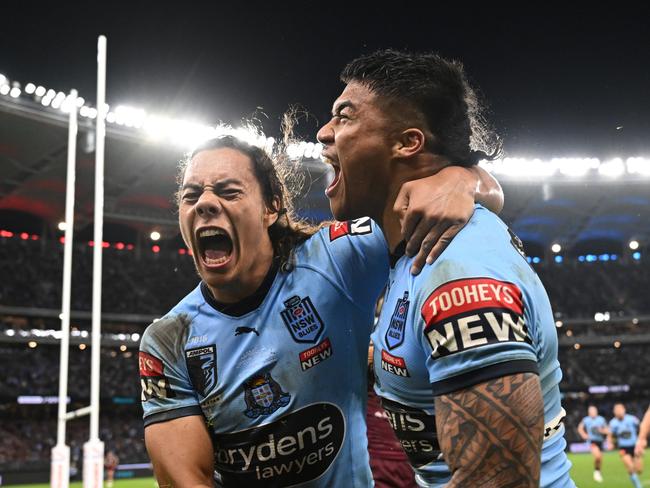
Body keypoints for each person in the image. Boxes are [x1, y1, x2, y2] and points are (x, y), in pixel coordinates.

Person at [140, 134, 502, 486]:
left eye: (228, 192)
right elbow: (185, 478)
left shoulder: (335, 260)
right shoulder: (170, 339)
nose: (204, 203)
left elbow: (477, 197)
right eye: (191, 196)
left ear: (271, 208)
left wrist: (462, 178)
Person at [316, 49, 574, 487]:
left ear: (407, 143)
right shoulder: (406, 252)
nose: (324, 132)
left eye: (345, 116)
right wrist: (469, 178)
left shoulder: (459, 274)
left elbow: (498, 482)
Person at [609, 403, 643, 488]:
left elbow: (641, 427)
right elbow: (610, 435)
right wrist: (610, 443)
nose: (618, 412)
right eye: (616, 410)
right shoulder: (613, 423)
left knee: (639, 470)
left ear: (624, 410)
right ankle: (638, 486)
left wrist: (641, 441)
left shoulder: (632, 419)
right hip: (623, 448)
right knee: (630, 467)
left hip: (635, 447)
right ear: (614, 412)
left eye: (620, 409)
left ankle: (634, 475)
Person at [578, 405, 608, 483]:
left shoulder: (601, 419)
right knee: (597, 457)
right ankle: (596, 472)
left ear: (596, 411)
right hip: (592, 441)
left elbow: (607, 430)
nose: (592, 412)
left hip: (600, 441)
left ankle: (598, 472)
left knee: (600, 459)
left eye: (594, 411)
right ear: (589, 412)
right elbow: (580, 428)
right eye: (591, 411)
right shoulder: (586, 420)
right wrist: (583, 434)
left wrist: (602, 431)